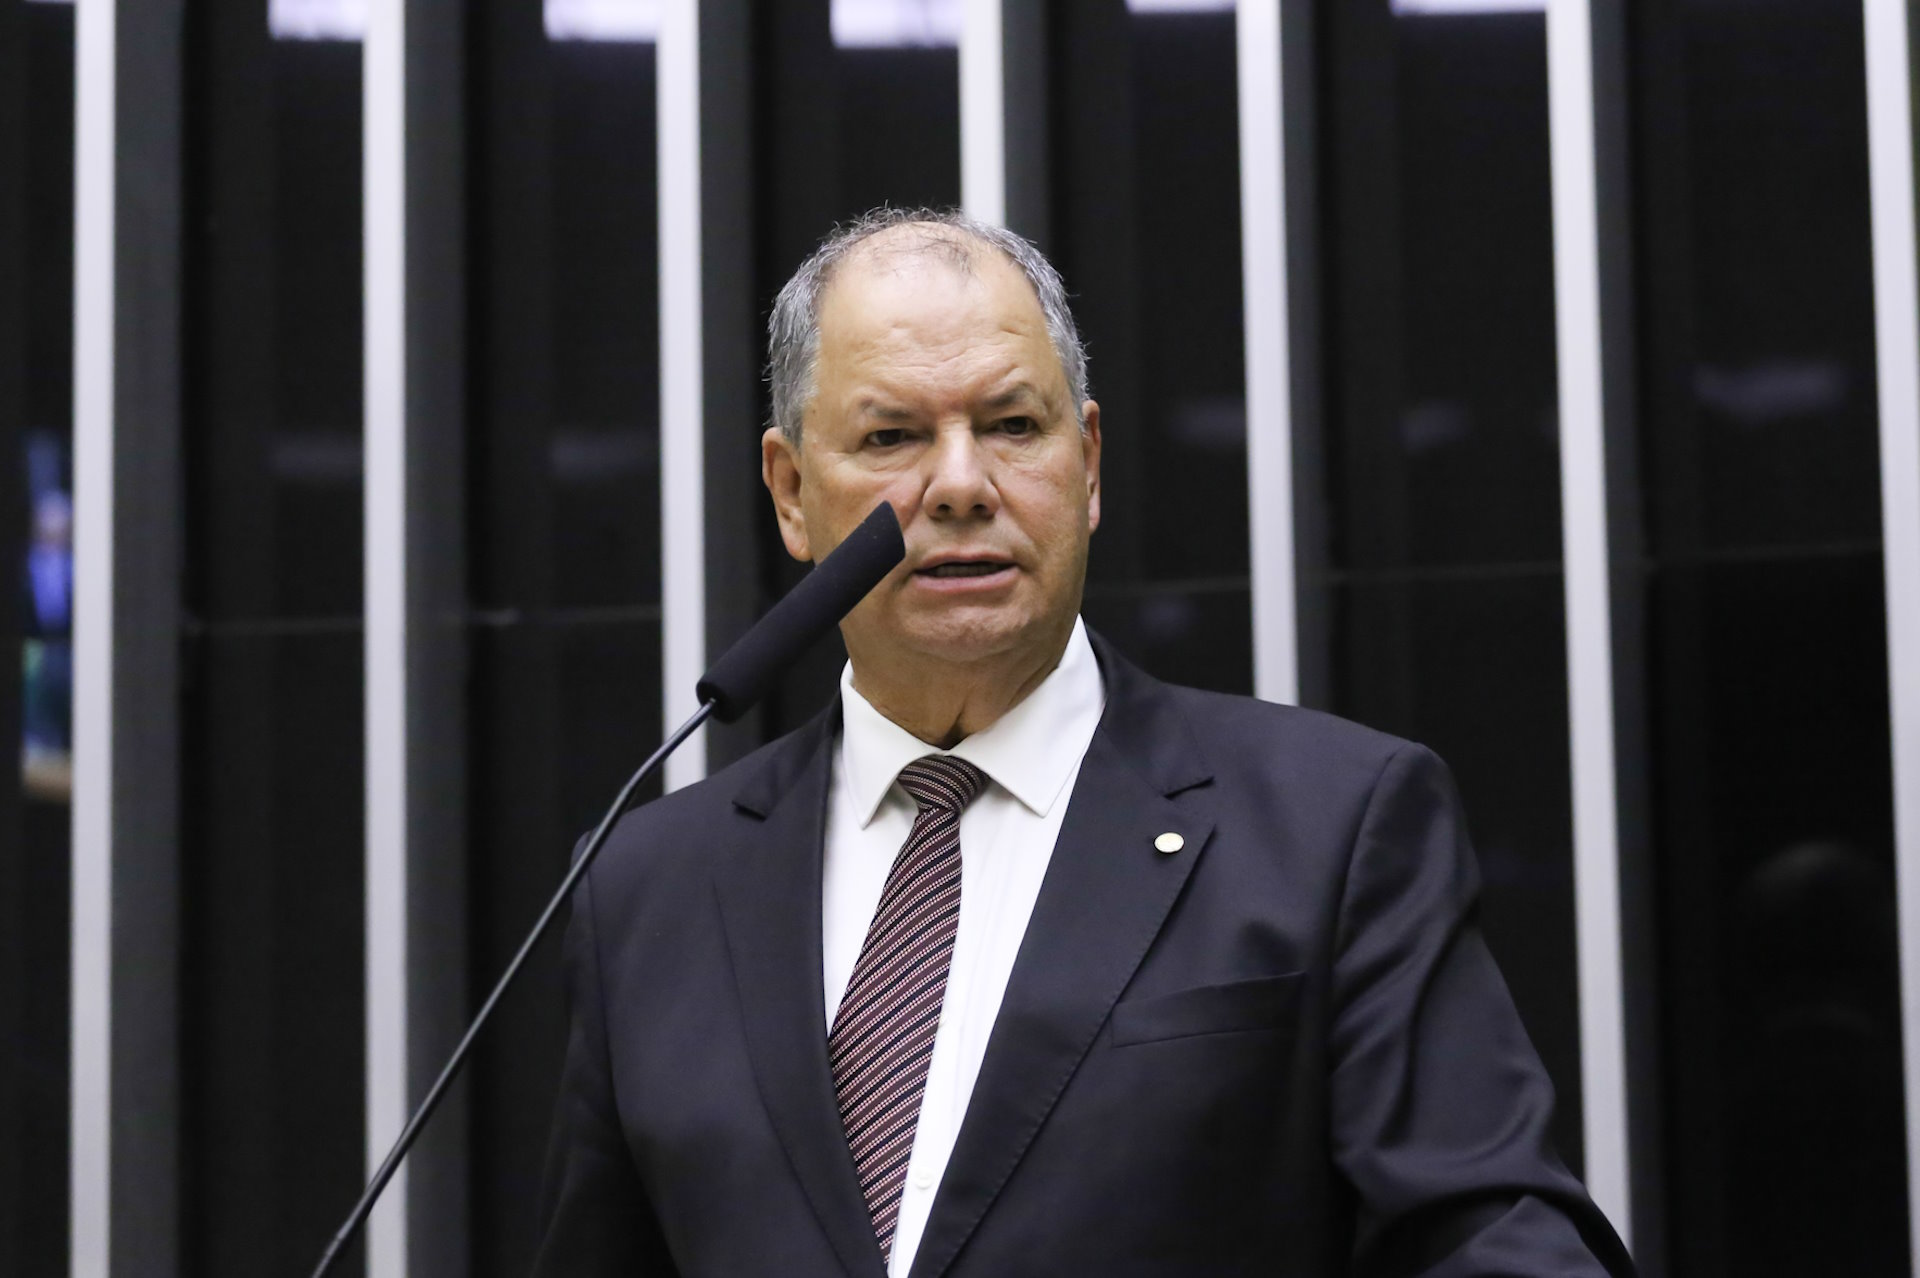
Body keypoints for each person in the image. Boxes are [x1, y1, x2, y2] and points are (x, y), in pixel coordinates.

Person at [534, 208, 1635, 1277]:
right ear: (790, 493)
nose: (961, 486)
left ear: (1089, 464)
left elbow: (1490, 1238)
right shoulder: (644, 890)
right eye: (891, 437)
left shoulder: (1332, 827)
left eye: (1013, 427)